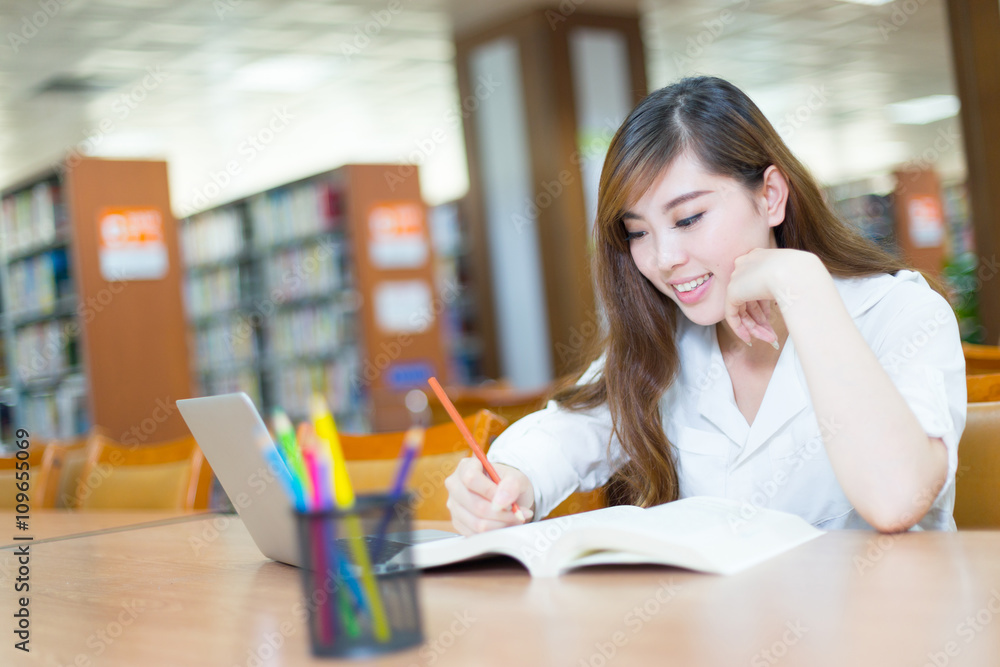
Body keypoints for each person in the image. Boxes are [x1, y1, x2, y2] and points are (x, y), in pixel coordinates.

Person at [444, 76, 966, 535]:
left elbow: (897, 499)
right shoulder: (667, 342)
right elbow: (568, 431)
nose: (665, 258)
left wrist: (801, 284)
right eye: (637, 232)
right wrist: (508, 482)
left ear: (771, 196)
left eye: (689, 218)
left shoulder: (900, 313)